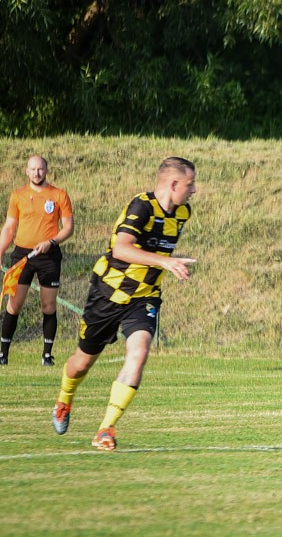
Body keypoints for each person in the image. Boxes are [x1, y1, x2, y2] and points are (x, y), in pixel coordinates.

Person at [51, 157, 197, 451]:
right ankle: (64, 400)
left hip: (144, 296)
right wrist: (165, 262)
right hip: (109, 293)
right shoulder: (141, 206)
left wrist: (164, 264)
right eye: (190, 184)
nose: (193, 190)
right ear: (173, 184)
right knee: (81, 363)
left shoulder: (183, 213)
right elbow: (121, 248)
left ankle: (106, 429)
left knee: (139, 353)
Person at [0, 155, 74, 367]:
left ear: (46, 170)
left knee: (48, 305)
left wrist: (51, 242)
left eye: (40, 169)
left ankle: (47, 355)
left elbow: (68, 228)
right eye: (32, 169)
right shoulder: (18, 195)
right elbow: (9, 227)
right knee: (14, 304)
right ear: (27, 171)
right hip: (23, 255)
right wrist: (0, 251)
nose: (37, 173)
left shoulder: (59, 195)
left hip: (49, 255)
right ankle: (3, 353)